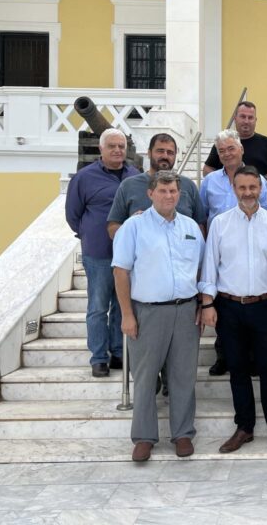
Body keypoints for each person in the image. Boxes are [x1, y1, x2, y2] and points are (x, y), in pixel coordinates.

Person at [200, 165, 267, 454]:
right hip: (228, 307)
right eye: (242, 187)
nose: (248, 193)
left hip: (263, 307)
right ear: (234, 189)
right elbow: (210, 266)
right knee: (237, 368)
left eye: (253, 187)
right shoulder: (219, 224)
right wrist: (207, 303)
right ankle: (244, 427)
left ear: (261, 189)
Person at [111, 171, 205, 462]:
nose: (169, 196)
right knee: (145, 377)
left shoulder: (190, 227)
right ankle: (144, 437)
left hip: (186, 311)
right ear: (150, 193)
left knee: (183, 375)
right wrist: (127, 315)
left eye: (173, 191)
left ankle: (182, 433)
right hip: (148, 311)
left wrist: (202, 304)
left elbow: (201, 268)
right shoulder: (133, 227)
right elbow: (121, 271)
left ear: (180, 194)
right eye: (163, 191)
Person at [107, 132, 206, 396]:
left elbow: (200, 231)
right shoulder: (129, 187)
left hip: (182, 300)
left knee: (181, 375)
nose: (165, 156)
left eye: (170, 152)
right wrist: (135, 231)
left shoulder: (188, 187)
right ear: (149, 152)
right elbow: (113, 227)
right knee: (146, 378)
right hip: (146, 296)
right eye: (160, 150)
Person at [65, 128, 138, 378]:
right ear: (101, 149)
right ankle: (98, 357)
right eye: (112, 146)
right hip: (98, 252)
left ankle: (118, 351)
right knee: (98, 306)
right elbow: (73, 215)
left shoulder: (134, 175)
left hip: (128, 254)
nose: (117, 150)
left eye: (121, 146)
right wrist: (88, 233)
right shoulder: (84, 178)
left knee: (121, 304)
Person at [199, 129, 267, 377]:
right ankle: (224, 356)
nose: (227, 154)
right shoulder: (209, 182)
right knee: (224, 306)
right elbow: (202, 216)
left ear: (241, 149)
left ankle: (250, 357)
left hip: (251, 251)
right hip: (221, 252)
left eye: (231, 148)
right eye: (222, 151)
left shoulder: (258, 179)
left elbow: (265, 215)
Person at [202, 101, 267, 180]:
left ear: (255, 120)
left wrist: (261, 180)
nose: (246, 121)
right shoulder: (223, 143)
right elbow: (207, 170)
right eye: (243, 116)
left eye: (250, 117)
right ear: (235, 119)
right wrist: (223, 181)